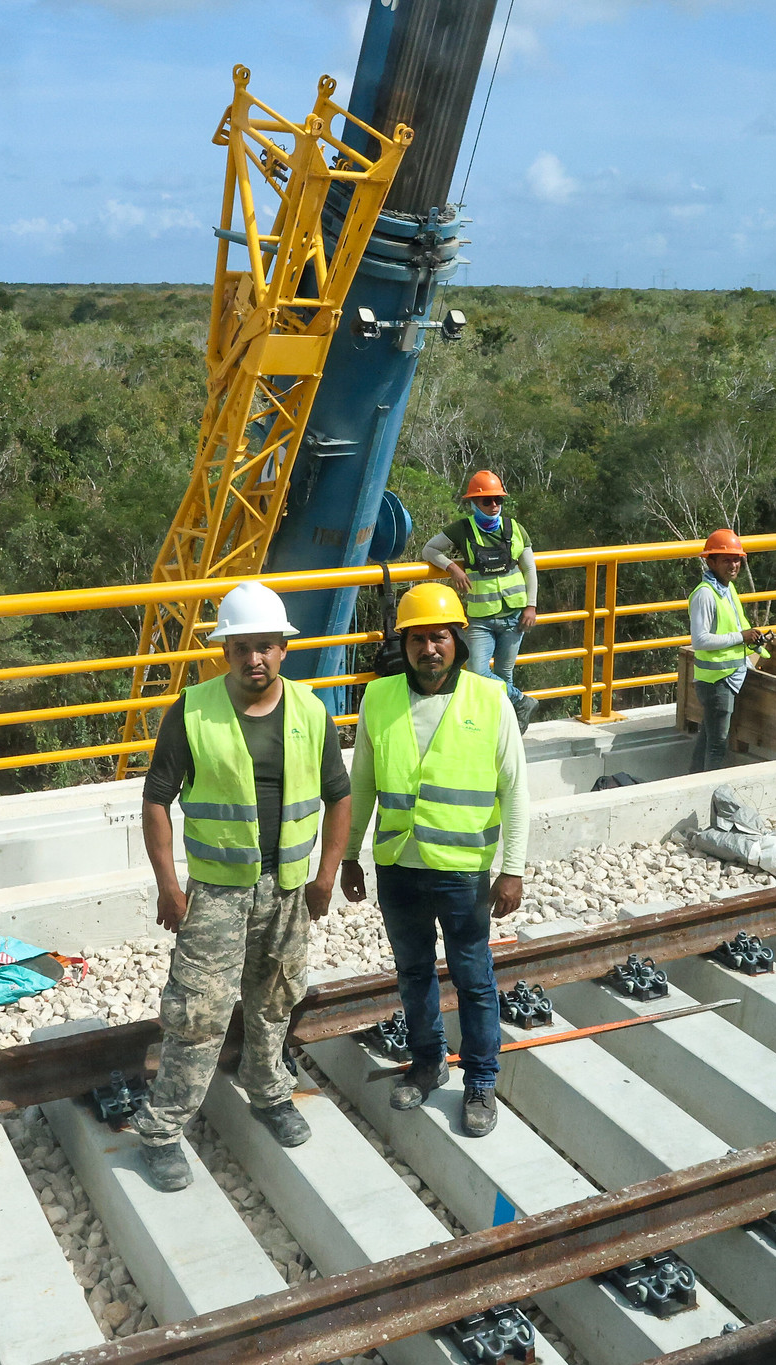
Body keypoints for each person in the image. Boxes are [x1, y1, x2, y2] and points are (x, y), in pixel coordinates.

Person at [133, 579, 353, 1191]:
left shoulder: (310, 711)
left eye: (266, 647)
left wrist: (325, 875)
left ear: (284, 648)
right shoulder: (194, 710)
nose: (255, 659)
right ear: (225, 651)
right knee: (197, 1011)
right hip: (218, 892)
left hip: (286, 888)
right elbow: (156, 800)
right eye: (242, 648)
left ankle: (269, 1092)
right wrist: (168, 885)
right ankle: (161, 1130)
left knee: (275, 998)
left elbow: (340, 797)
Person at [340, 581, 528, 1139]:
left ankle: (480, 1081)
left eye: (439, 637)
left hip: (461, 868)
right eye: (418, 638)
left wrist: (512, 868)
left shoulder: (490, 699)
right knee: (414, 972)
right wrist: (350, 855)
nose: (429, 649)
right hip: (398, 863)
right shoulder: (379, 698)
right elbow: (364, 782)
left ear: (458, 641)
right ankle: (426, 1063)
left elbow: (514, 789)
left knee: (473, 974)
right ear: (405, 644)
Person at [424, 470, 542, 730]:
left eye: (498, 500)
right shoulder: (462, 529)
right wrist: (452, 568)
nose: (493, 506)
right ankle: (521, 700)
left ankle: (504, 725)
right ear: (474, 503)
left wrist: (531, 605)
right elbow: (429, 549)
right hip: (481, 618)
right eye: (486, 501)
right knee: (478, 671)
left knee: (503, 675)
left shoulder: (514, 528)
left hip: (514, 616)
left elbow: (530, 569)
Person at [687, 528, 774, 773]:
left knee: (707, 737)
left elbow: (738, 624)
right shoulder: (705, 595)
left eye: (737, 559)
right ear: (710, 561)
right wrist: (740, 637)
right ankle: (709, 794)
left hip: (726, 676)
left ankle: (693, 782)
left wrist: (754, 637)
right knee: (717, 745)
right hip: (716, 680)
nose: (733, 564)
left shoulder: (727, 589)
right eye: (726, 560)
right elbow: (700, 640)